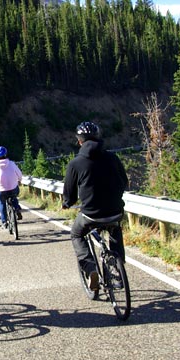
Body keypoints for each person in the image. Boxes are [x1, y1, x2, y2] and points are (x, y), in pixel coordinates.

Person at [61, 121, 128, 290]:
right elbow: (124, 182)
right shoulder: (112, 157)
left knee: (76, 234)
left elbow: (69, 192)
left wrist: (67, 203)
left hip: (91, 214)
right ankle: (117, 269)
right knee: (115, 229)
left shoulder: (76, 163)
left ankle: (90, 267)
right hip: (115, 211)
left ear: (79, 141)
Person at [0, 146, 23, 228]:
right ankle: (17, 208)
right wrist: (19, 180)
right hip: (13, 189)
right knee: (14, 195)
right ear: (6, 154)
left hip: (1, 191)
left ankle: (4, 222)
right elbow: (20, 175)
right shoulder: (12, 163)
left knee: (1, 203)